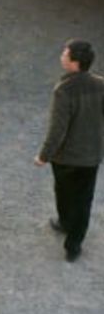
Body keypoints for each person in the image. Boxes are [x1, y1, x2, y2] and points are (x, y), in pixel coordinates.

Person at [34, 39, 104, 262]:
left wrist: (44, 155)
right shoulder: (101, 84)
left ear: (74, 62)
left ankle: (65, 221)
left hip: (66, 157)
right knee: (83, 200)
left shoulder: (64, 90)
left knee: (63, 191)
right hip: (91, 155)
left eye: (65, 54)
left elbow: (58, 129)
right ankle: (74, 246)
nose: (62, 56)